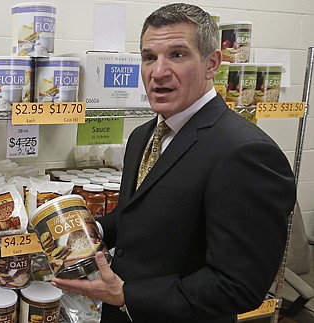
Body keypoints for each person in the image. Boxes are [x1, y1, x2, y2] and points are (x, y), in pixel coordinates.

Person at [51, 3, 297, 323]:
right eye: (149, 57)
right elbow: (139, 216)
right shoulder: (144, 135)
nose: (158, 71)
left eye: (177, 55)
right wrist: (88, 229)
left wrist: (128, 296)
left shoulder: (245, 152)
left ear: (212, 64)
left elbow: (239, 285)